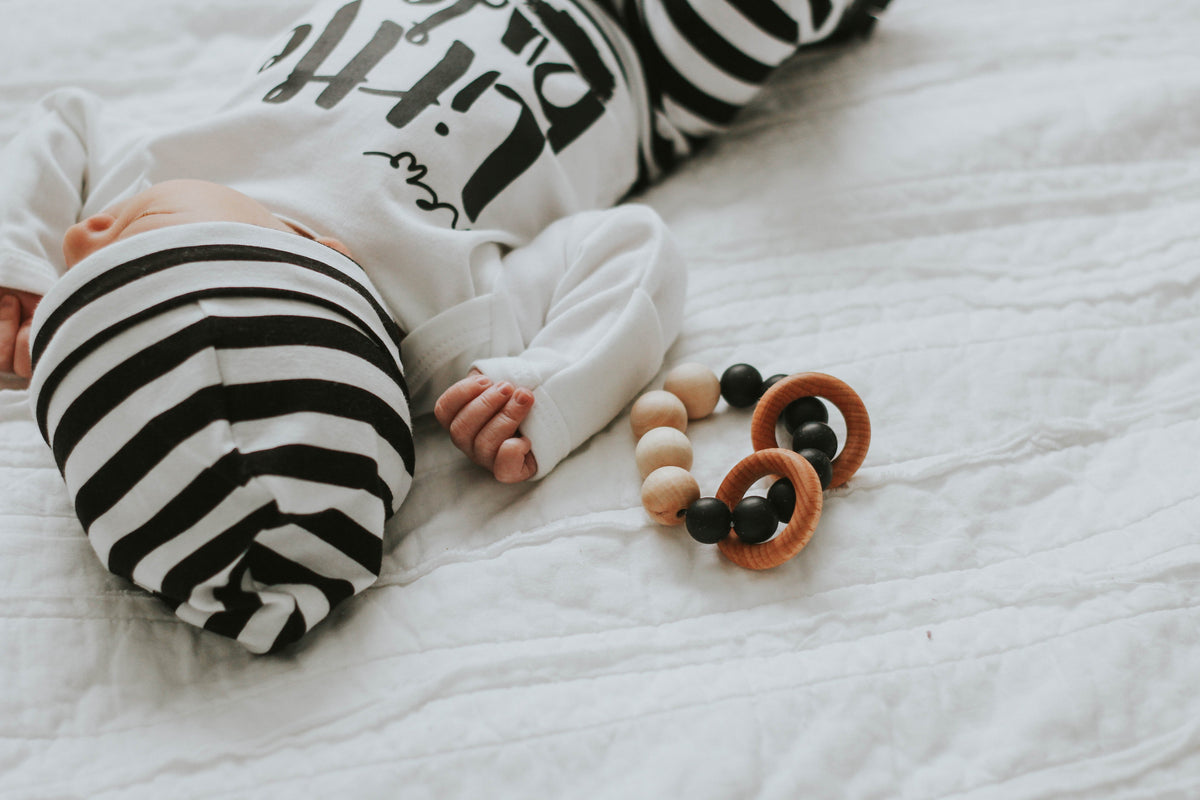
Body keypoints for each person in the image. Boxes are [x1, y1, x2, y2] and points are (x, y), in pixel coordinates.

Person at [0, 0, 889, 652]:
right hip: (634, 54)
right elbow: (635, 249)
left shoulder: (146, 178)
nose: (87, 228)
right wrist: (552, 381)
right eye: (128, 240)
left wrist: (20, 262)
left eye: (81, 271)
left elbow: (63, 118)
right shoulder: (449, 327)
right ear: (314, 250)